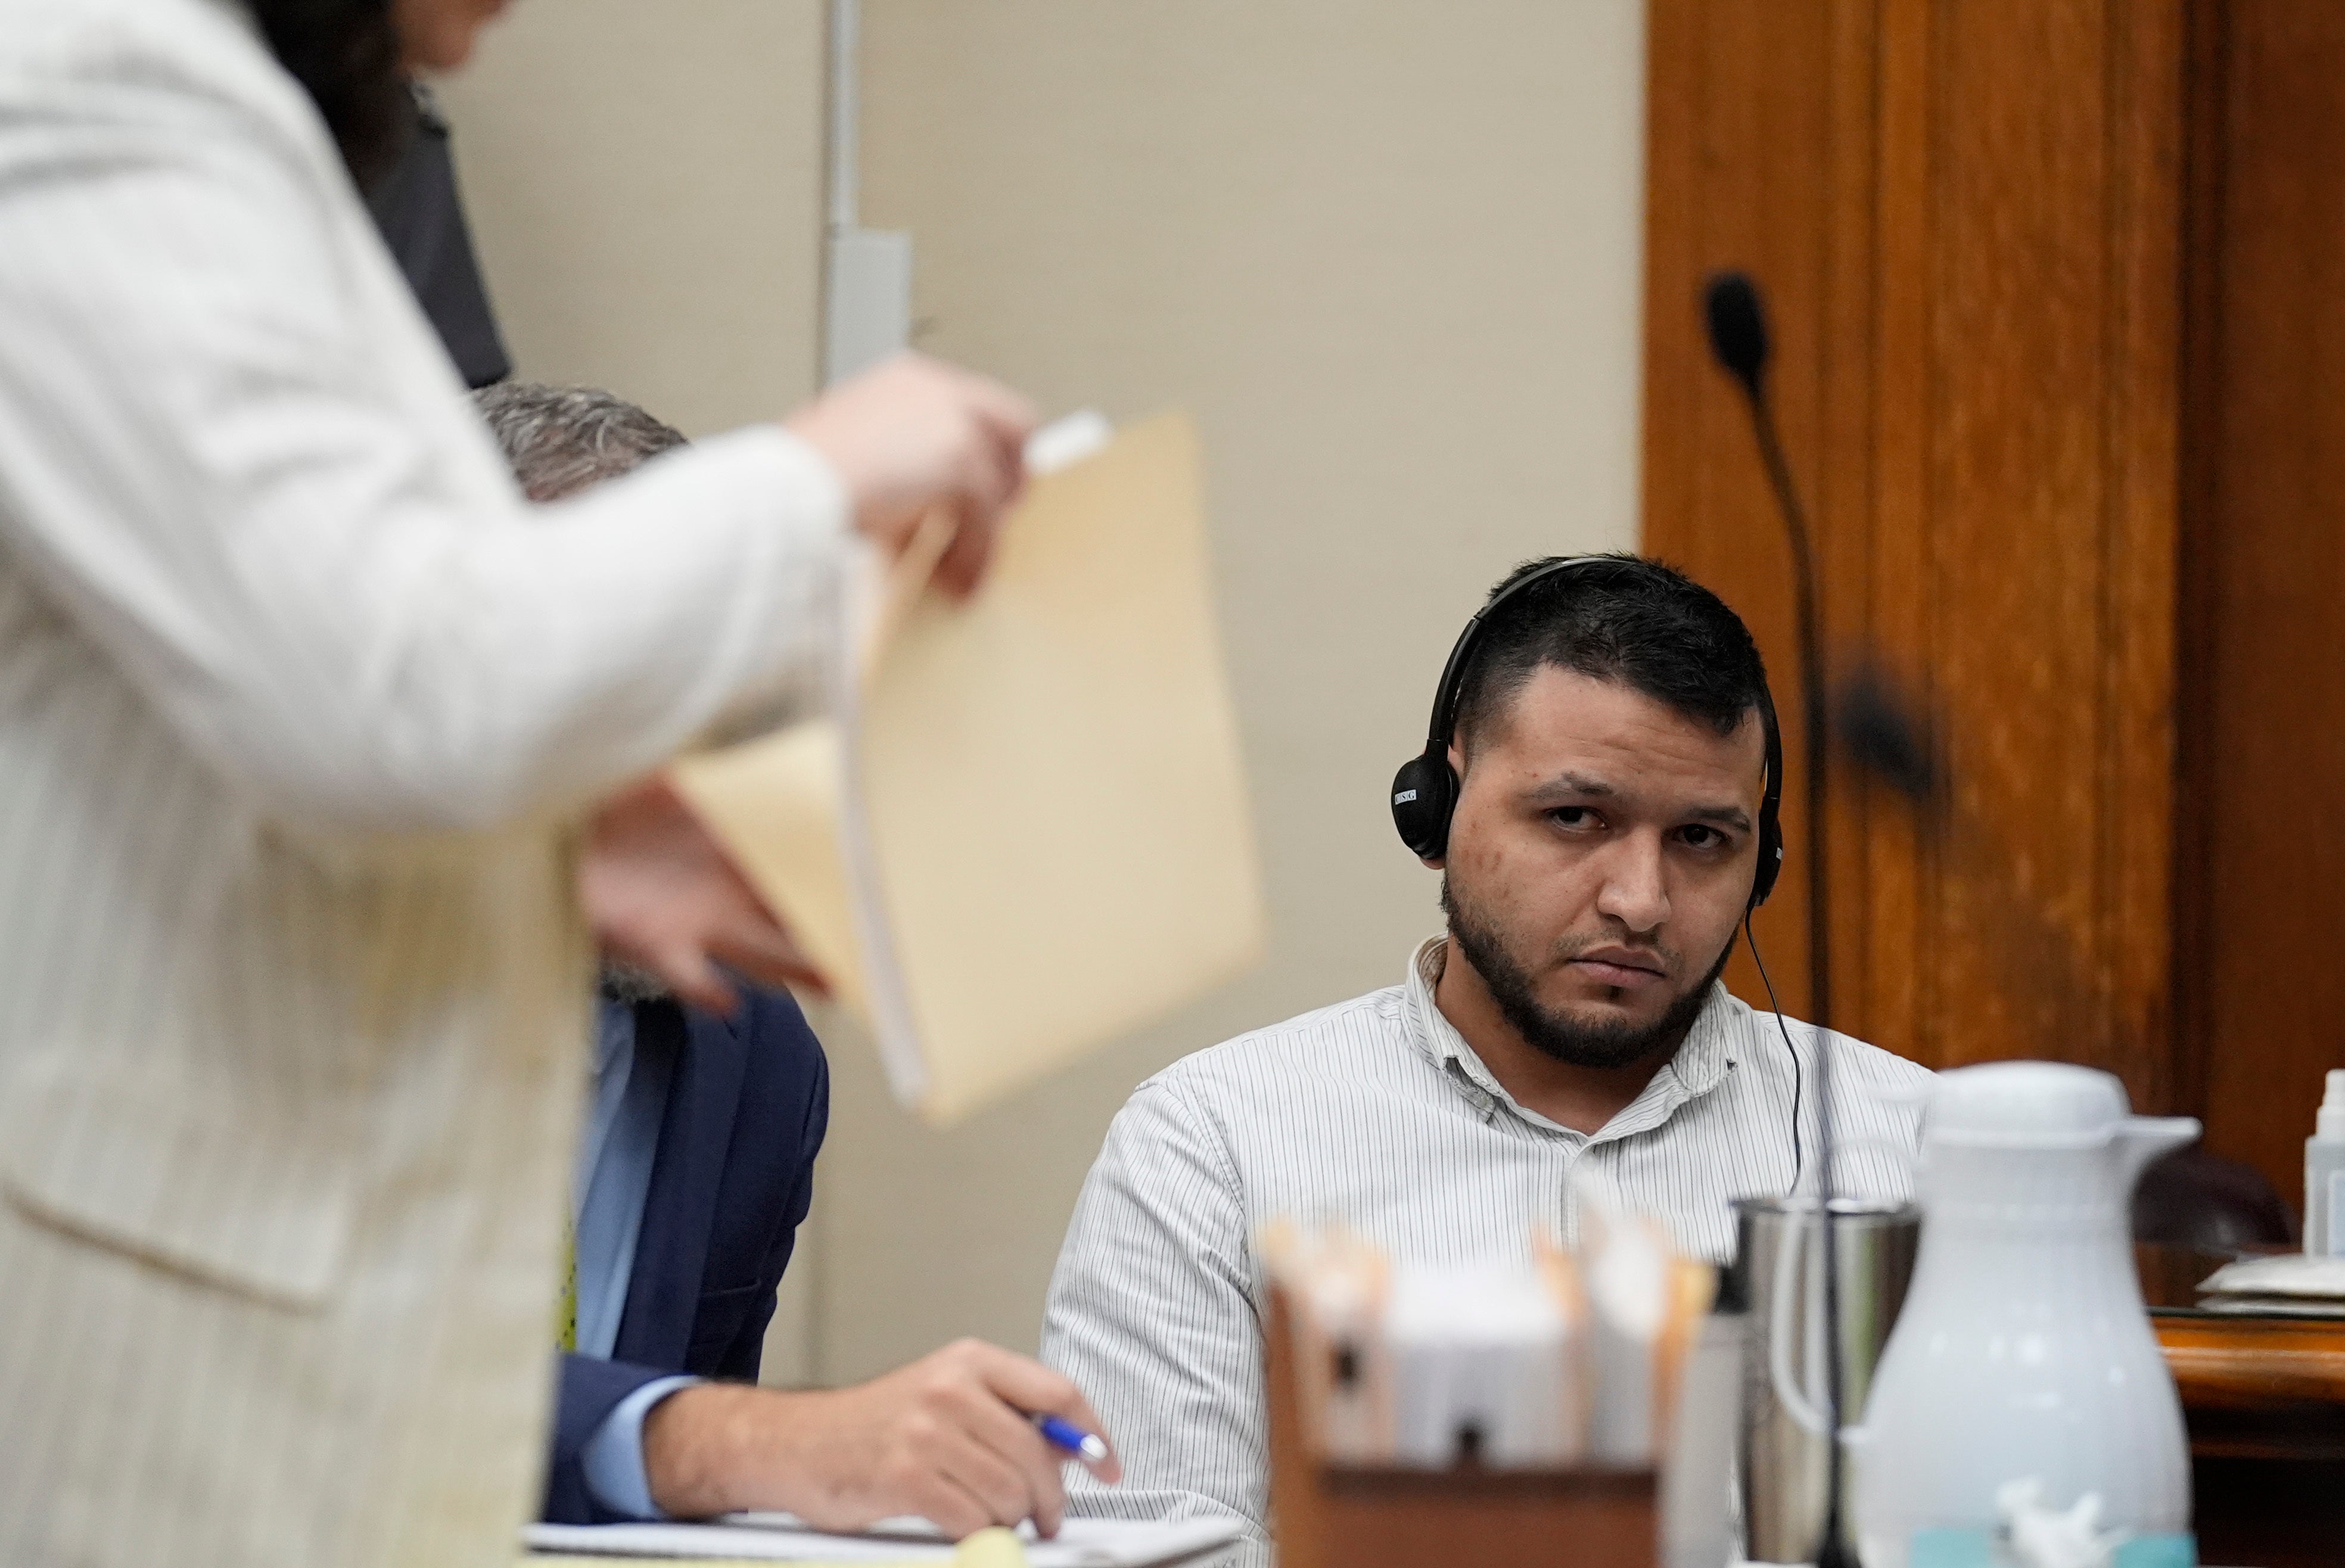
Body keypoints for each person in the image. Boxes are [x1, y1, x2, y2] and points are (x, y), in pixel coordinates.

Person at [0, 4, 1108, 1566]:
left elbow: (210, 718)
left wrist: (544, 856)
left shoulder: (749, 1063)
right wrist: (818, 480)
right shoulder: (102, 86)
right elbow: (394, 676)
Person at [1040, 555, 1933, 1563]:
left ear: (1759, 861)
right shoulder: (1213, 1142)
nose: (1641, 900)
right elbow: (1140, 1547)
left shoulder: (1910, 1151)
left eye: (1700, 838)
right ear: (1436, 808)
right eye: (1575, 818)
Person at [474, 382, 1121, 1533]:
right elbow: (273, 1372)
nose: (717, 775)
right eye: (647, 700)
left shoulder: (759, 1061)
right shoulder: (259, 973)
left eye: (742, 706)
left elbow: (663, 1511)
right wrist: (742, 1442)